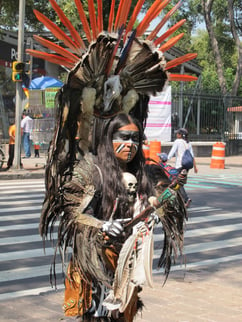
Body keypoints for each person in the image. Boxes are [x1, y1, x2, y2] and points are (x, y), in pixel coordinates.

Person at [40, 113, 187, 321]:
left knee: (122, 313)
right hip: (97, 260)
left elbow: (161, 206)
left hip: (127, 260)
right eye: (124, 137)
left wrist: (171, 194)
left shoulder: (143, 173)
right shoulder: (92, 170)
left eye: (135, 139)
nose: (130, 145)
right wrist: (103, 226)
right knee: (98, 313)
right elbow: (74, 214)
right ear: (109, 139)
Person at [167, 128, 198, 207]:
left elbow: (172, 152)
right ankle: (179, 200)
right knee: (180, 183)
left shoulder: (177, 141)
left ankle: (186, 199)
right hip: (187, 166)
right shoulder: (188, 143)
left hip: (179, 166)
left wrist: (165, 159)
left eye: (177, 133)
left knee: (177, 183)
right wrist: (195, 167)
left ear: (180, 135)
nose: (176, 135)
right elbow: (192, 156)